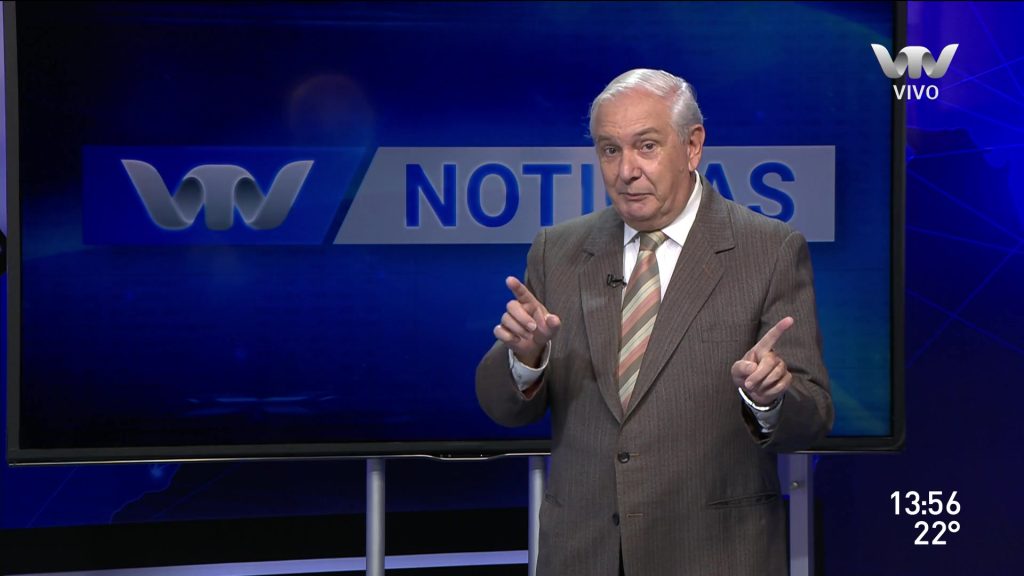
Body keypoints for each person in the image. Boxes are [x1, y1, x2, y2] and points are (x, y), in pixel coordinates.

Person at [476, 69, 833, 575]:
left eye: (646, 146)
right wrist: (526, 359)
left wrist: (767, 398)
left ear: (692, 146)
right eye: (610, 150)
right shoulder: (559, 251)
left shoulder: (768, 250)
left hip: (713, 556)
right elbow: (503, 409)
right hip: (584, 555)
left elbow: (813, 415)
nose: (626, 170)